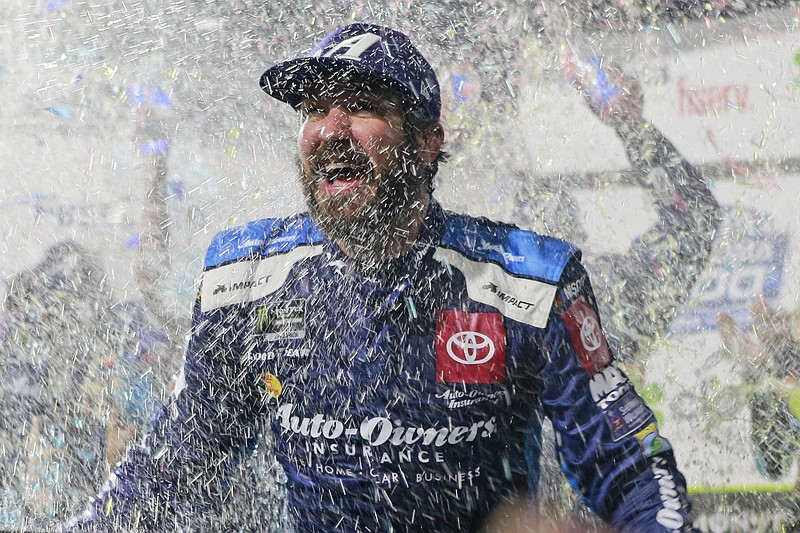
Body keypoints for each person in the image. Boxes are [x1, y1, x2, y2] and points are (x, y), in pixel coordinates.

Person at [66, 23, 698, 532]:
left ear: (427, 143)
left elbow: (631, 469)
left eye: (363, 108)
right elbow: (175, 468)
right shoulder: (248, 279)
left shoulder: (527, 283)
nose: (331, 130)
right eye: (316, 109)